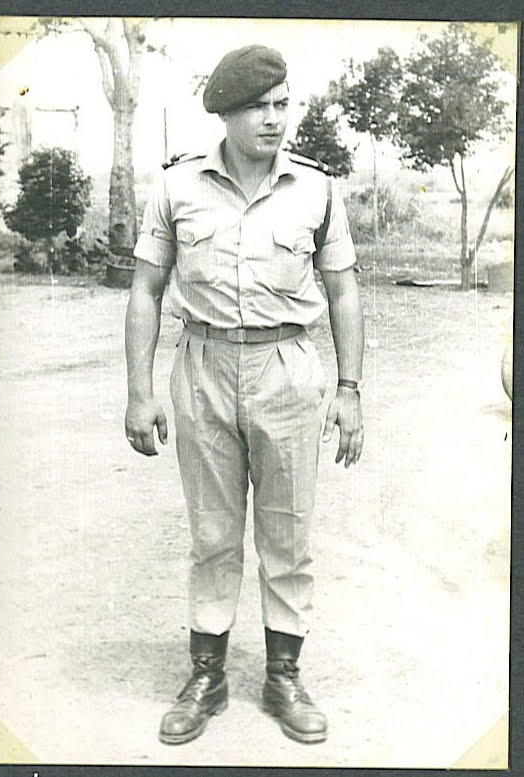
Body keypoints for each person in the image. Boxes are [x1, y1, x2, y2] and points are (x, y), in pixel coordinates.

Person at [124, 44, 365, 746]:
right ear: (225, 113)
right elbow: (145, 290)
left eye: (282, 104)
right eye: (258, 106)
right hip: (201, 365)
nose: (273, 119)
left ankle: (283, 675)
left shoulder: (316, 189)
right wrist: (139, 392)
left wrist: (349, 389)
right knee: (212, 533)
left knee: (287, 532)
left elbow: (343, 291)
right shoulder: (177, 186)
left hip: (286, 366)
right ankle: (208, 674)